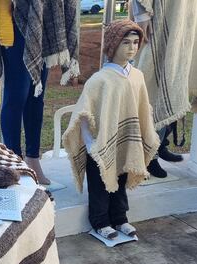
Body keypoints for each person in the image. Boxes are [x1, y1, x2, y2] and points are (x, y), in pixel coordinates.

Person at [62, 20, 160, 240]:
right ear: (113, 45)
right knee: (99, 185)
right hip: (100, 144)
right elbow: (85, 114)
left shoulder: (137, 76)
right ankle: (100, 221)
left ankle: (120, 218)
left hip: (126, 142)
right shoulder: (99, 80)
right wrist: (91, 146)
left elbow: (143, 109)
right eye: (126, 42)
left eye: (136, 42)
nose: (132, 48)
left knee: (121, 181)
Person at [130, 0, 197, 178]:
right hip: (164, 19)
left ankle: (159, 144)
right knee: (156, 85)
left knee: (176, 79)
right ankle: (147, 154)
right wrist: (141, 14)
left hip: (194, 20)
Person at [0, 0, 80, 185]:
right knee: (16, 96)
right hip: (15, 20)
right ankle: (14, 160)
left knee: (36, 97)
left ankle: (33, 159)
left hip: (44, 20)